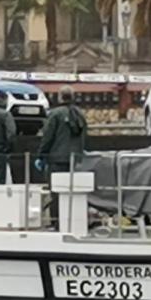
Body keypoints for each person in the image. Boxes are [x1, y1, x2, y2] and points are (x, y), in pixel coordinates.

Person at [37, 86, 88, 222]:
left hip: (57, 159)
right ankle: (73, 220)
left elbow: (48, 137)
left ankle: (56, 220)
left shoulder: (55, 114)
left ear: (60, 97)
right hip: (76, 160)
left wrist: (41, 155)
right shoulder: (80, 114)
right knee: (74, 191)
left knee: (57, 191)